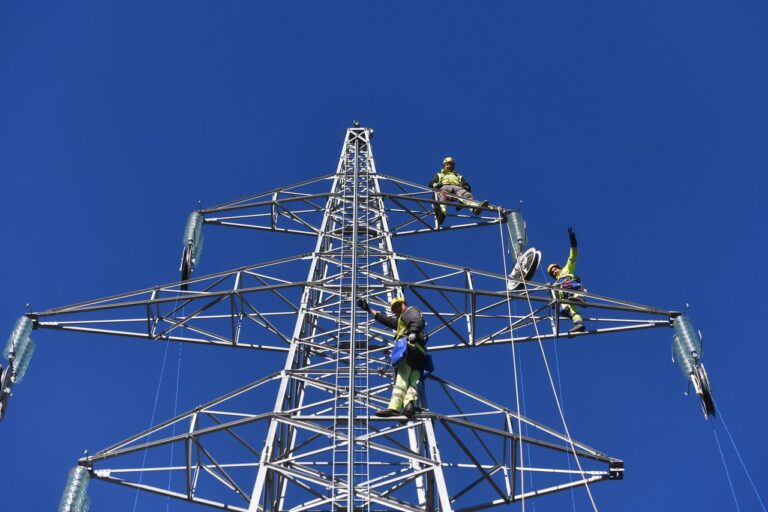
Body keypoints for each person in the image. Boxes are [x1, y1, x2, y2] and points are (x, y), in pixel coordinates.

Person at [357, 296, 428, 418]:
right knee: (413, 381)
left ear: (404, 304)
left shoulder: (410, 311)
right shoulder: (402, 320)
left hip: (409, 350)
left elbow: (417, 320)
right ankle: (409, 406)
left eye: (398, 306)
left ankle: (394, 407)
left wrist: (413, 332)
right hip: (419, 354)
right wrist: (369, 310)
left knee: (401, 379)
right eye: (394, 309)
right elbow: (387, 321)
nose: (397, 309)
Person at [547, 227, 587, 335]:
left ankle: (579, 297)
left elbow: (573, 254)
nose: (554, 271)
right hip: (565, 297)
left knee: (565, 286)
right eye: (552, 272)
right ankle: (578, 324)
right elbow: (552, 300)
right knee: (566, 307)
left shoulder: (566, 269)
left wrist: (572, 238)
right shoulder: (555, 284)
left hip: (573, 286)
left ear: (558, 267)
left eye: (554, 269)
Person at [428, 157, 489, 227]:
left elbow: (465, 184)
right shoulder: (439, 175)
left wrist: (466, 186)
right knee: (442, 197)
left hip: (457, 188)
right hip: (444, 187)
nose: (449, 166)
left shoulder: (458, 176)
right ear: (444, 165)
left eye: (451, 164)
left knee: (465, 194)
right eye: (447, 164)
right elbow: (431, 183)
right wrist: (436, 184)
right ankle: (441, 213)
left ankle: (474, 208)